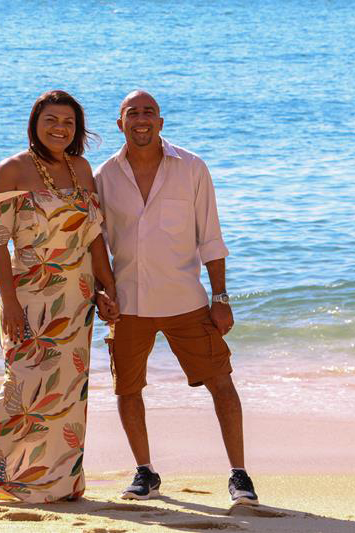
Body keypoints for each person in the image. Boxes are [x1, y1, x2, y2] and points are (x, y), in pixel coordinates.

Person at [93, 90, 259, 506]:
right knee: (127, 389)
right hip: (128, 304)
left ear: (161, 122)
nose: (141, 119)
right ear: (120, 124)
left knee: (222, 383)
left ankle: (239, 476)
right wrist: (100, 291)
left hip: (187, 301)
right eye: (133, 113)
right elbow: (94, 243)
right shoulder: (103, 176)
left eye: (149, 112)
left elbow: (211, 237)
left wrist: (220, 296)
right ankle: (145, 473)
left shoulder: (192, 167)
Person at [0, 90, 119, 505]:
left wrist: (107, 289)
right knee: (21, 385)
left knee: (67, 392)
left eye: (67, 122)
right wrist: (9, 301)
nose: (59, 128)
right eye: (50, 120)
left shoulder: (82, 169)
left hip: (78, 296)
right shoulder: (10, 170)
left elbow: (94, 237)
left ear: (77, 128)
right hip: (28, 293)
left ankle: (58, 483)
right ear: (35, 123)